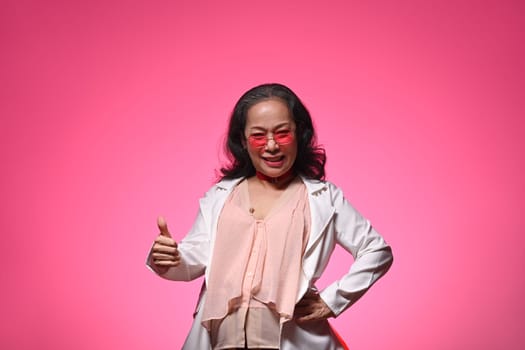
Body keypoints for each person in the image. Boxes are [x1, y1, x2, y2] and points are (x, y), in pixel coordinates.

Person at [147, 83, 393, 349]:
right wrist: (170, 257)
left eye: (283, 133)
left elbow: (377, 251)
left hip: (292, 339)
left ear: (299, 134)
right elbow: (193, 261)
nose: (272, 145)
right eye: (259, 136)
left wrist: (333, 300)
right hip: (220, 342)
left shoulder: (326, 198)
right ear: (243, 140)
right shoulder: (220, 197)